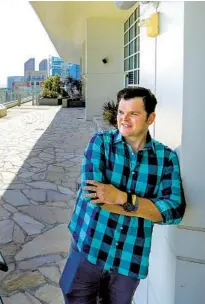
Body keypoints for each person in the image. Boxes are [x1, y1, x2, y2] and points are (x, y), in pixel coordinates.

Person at [59, 87, 186, 303]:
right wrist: (148, 209)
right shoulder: (100, 143)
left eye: (133, 113)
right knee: (75, 297)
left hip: (129, 258)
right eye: (120, 112)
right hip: (88, 247)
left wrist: (122, 198)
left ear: (150, 118)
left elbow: (174, 210)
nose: (124, 119)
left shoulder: (166, 158)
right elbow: (94, 198)